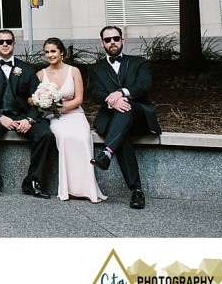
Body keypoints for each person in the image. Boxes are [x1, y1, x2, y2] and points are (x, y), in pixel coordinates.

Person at [0, 29, 55, 199]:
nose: (5, 44)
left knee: (45, 134)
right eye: (1, 41)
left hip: (22, 114)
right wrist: (0, 117)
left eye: (8, 41)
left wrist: (30, 119)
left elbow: (37, 98)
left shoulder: (27, 68)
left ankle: (33, 181)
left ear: (14, 44)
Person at [88, 26, 161, 210]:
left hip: (138, 115)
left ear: (122, 40)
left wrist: (120, 94)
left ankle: (106, 153)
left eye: (116, 38)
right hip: (111, 118)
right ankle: (136, 191)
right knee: (123, 136)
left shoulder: (139, 62)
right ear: (102, 44)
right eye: (108, 39)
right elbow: (96, 92)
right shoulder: (95, 68)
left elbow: (143, 85)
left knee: (126, 108)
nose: (112, 42)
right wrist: (111, 102)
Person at [33, 37, 105, 203]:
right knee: (64, 137)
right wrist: (42, 102)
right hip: (53, 117)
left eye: (53, 51)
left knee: (82, 138)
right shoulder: (40, 74)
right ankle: (69, 189)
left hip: (74, 113)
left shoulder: (74, 71)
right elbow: (31, 98)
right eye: (46, 52)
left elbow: (79, 99)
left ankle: (86, 188)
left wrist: (60, 108)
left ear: (62, 52)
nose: (50, 55)